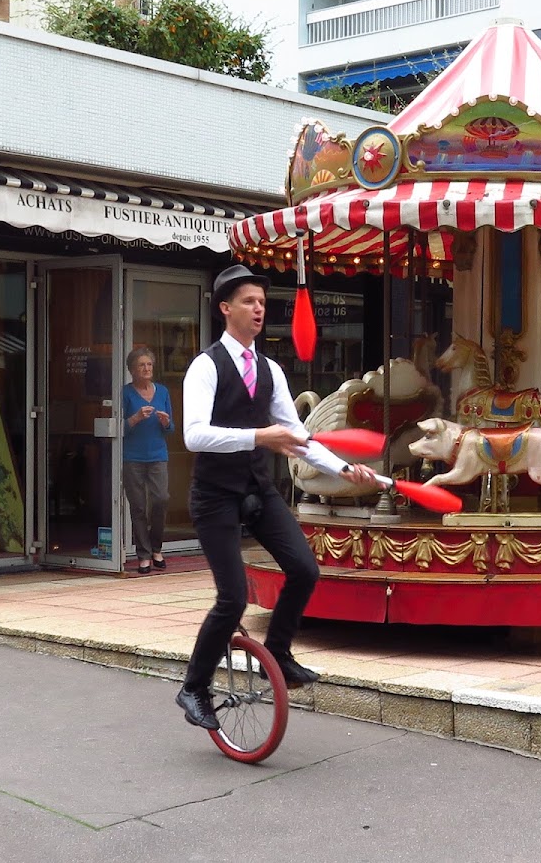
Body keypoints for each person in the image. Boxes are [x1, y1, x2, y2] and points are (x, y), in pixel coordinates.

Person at [175, 263, 376, 731]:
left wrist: (345, 468)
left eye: (262, 302)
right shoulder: (205, 366)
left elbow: (299, 436)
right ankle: (193, 687)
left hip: (257, 490)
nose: (259, 308)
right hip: (215, 496)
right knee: (232, 598)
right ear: (226, 309)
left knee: (305, 569)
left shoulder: (271, 370)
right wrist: (259, 437)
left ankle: (280, 653)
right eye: (248, 301)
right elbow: (195, 436)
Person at [122, 347, 173, 575]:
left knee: (161, 499)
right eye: (141, 365)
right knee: (139, 506)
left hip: (157, 456)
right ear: (132, 369)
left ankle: (156, 548)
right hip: (132, 456)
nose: (146, 369)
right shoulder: (124, 393)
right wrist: (134, 418)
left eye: (149, 365)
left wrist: (165, 422)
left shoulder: (162, 392)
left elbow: (171, 428)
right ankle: (143, 555)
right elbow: (118, 428)